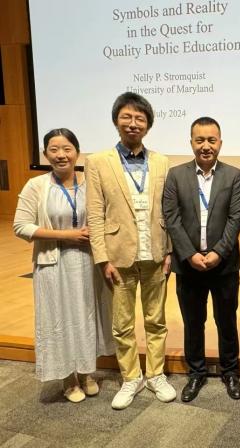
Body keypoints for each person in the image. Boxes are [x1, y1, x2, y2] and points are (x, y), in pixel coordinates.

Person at [85, 92, 176, 410]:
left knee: (156, 320)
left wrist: (169, 251)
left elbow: (169, 210)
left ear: (148, 125)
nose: (133, 123)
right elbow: (94, 214)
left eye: (140, 118)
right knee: (122, 324)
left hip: (155, 254)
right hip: (118, 256)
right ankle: (131, 377)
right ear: (116, 121)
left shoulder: (162, 162)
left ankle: (156, 374)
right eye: (127, 117)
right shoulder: (97, 162)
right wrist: (102, 258)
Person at [13, 128, 114, 402]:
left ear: (77, 152)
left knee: (86, 316)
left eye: (67, 149)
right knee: (59, 318)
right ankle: (68, 377)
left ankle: (86, 371)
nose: (61, 155)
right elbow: (21, 226)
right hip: (53, 265)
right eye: (54, 149)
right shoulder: (36, 186)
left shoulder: (90, 184)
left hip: (88, 263)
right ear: (45, 154)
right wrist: (66, 235)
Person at [163, 117, 240, 402]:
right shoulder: (176, 175)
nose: (206, 146)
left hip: (224, 266)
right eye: (200, 140)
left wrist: (218, 252)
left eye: (211, 140)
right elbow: (171, 218)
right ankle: (196, 373)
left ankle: (230, 371)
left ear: (220, 143)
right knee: (193, 322)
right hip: (189, 267)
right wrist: (190, 254)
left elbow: (235, 218)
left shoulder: (234, 175)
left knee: (226, 321)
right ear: (191, 143)